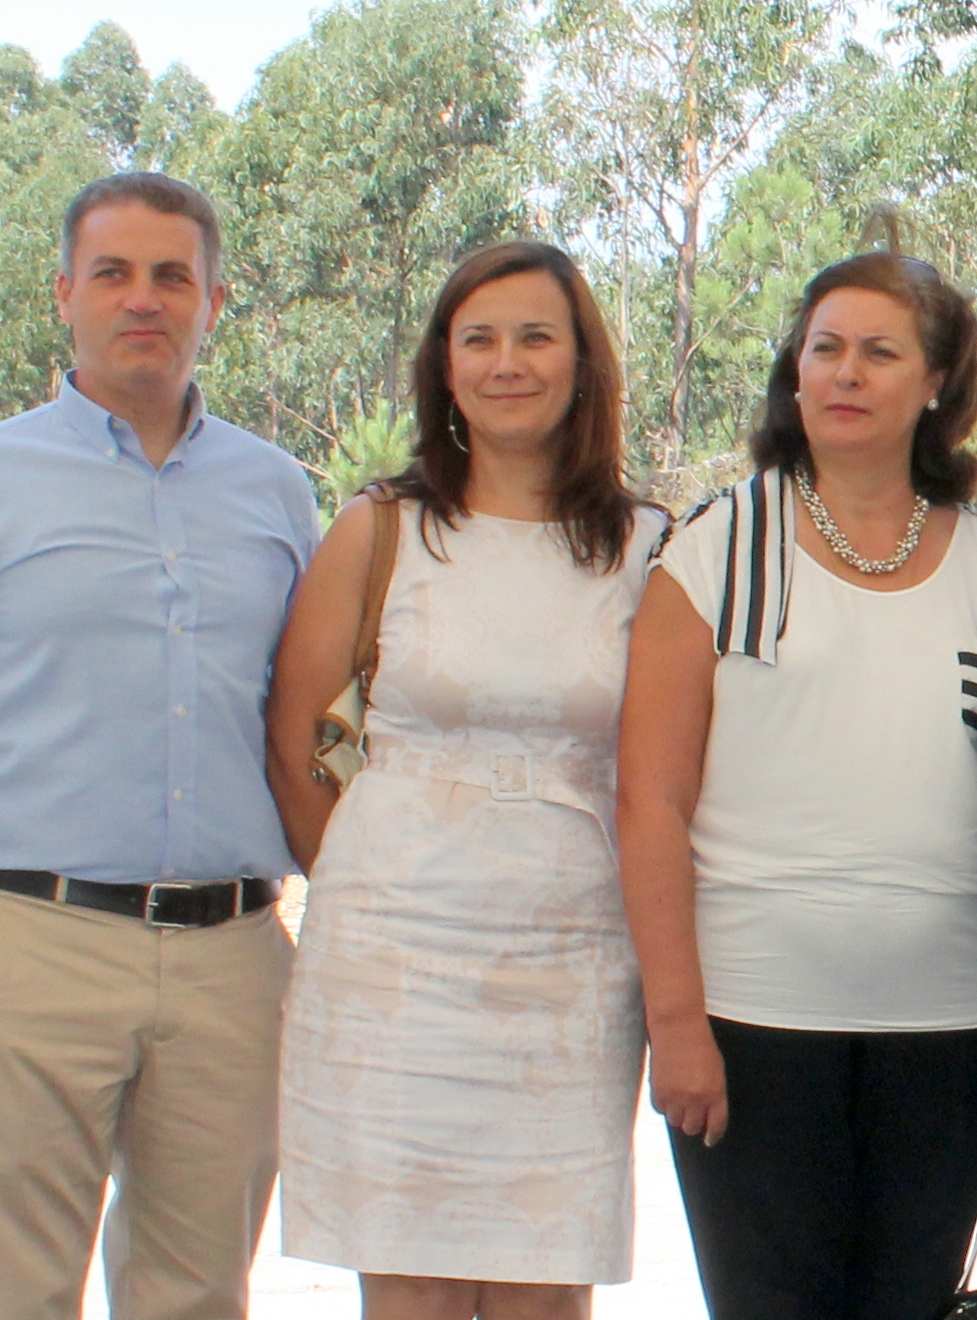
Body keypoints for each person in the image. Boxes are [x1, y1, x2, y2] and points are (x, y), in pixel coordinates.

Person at [0, 172, 315, 1320]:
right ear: (65, 294)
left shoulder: (280, 493)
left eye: (170, 275)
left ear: (214, 300)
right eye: (112, 273)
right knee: (14, 1296)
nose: (141, 298)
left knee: (200, 1294)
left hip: (231, 959)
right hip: (26, 945)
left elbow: (313, 714)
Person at [614, 250, 977, 1320]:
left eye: (880, 352)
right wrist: (676, 1026)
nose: (846, 373)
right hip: (752, 1029)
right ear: (794, 374)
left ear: (936, 383)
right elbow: (648, 803)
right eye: (824, 349)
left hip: (960, 1033)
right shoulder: (713, 548)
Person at [270, 241, 664, 1318]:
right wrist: (365, 881)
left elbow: (672, 767)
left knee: (546, 1295)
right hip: (394, 972)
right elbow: (297, 740)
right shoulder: (380, 530)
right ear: (443, 367)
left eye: (536, 336)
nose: (506, 362)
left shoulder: (650, 549)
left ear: (583, 363)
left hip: (573, 976)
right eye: (477, 339)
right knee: (410, 1292)